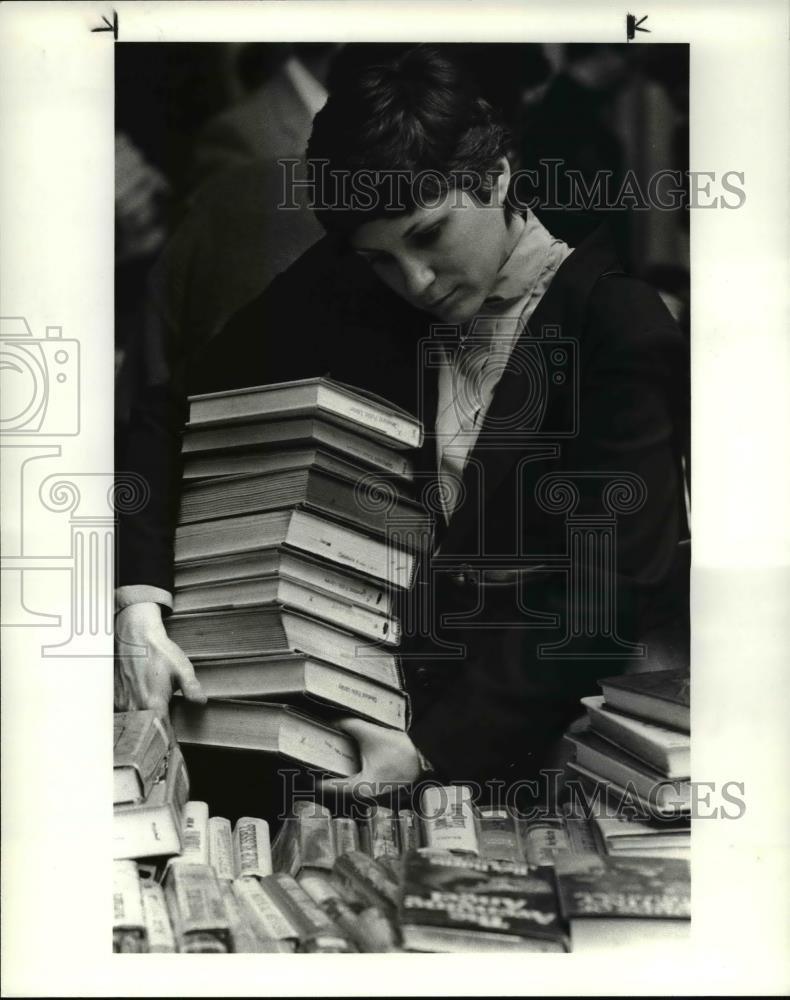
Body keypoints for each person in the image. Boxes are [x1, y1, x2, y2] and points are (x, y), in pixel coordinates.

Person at [115, 45, 689, 805]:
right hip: (352, 741)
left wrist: (430, 750)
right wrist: (139, 607)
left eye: (430, 234)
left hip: (539, 753)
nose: (414, 282)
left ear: (497, 177)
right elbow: (172, 411)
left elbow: (605, 593)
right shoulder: (359, 279)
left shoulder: (617, 325)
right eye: (381, 258)